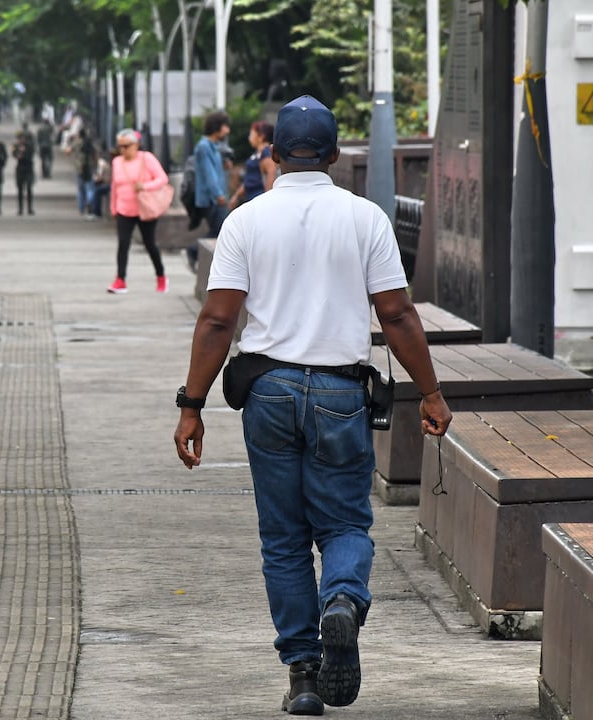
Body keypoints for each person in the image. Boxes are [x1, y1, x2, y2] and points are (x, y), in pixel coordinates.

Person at [172, 95, 451, 715]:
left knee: (284, 538)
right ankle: (342, 600)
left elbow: (217, 321)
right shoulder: (365, 218)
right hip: (340, 393)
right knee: (345, 525)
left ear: (273, 154)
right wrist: (430, 392)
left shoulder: (246, 221)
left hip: (267, 391)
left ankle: (303, 676)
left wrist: (192, 406)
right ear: (333, 155)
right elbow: (397, 313)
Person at [106, 129, 169, 294]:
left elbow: (163, 178)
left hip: (145, 208)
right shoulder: (117, 162)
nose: (123, 150)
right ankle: (120, 279)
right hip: (124, 208)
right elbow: (114, 186)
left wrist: (145, 186)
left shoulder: (146, 158)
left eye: (126, 146)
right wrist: (113, 207)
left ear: (136, 145)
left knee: (150, 244)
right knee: (123, 244)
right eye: (120, 146)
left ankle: (161, 276)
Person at [194, 110, 232, 238]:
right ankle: (194, 249)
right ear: (216, 126)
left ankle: (195, 249)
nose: (227, 131)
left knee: (218, 232)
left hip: (216, 197)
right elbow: (209, 173)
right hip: (212, 199)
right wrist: (218, 195)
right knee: (219, 232)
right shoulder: (204, 147)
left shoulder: (214, 146)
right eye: (225, 126)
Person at [230, 121, 275, 209]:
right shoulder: (257, 154)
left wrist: (267, 201)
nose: (249, 137)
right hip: (251, 198)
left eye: (252, 134)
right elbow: (249, 179)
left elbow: (271, 174)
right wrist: (236, 196)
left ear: (261, 136)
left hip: (259, 198)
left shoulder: (266, 154)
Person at [11, 127, 36, 215]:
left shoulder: (29, 146)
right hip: (20, 169)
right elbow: (14, 154)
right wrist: (18, 153)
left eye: (21, 138)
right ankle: (20, 208)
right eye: (19, 138)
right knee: (20, 190)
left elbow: (30, 155)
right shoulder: (16, 146)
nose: (20, 140)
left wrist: (23, 153)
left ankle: (30, 208)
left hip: (28, 168)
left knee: (29, 188)